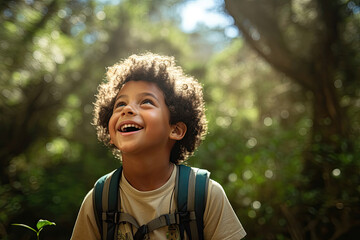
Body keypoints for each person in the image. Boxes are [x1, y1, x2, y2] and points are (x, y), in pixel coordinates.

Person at [70, 53, 246, 240]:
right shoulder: (99, 200)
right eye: (120, 104)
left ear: (175, 129)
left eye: (146, 102)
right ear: (111, 133)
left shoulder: (206, 194)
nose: (127, 109)